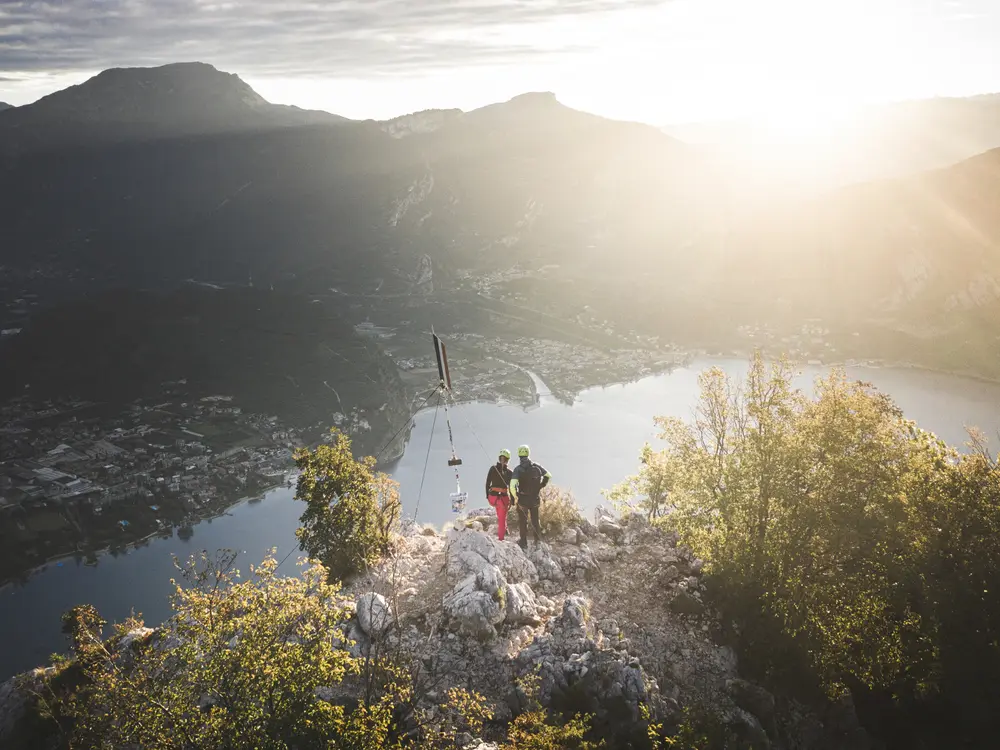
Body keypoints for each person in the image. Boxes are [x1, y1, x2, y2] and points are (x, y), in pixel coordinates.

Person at [510, 444, 551, 550]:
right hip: (535, 499)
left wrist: (515, 496)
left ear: (519, 455)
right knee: (535, 520)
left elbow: (512, 486)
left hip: (523, 500)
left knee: (523, 521)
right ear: (528, 453)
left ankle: (523, 543)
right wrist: (541, 485)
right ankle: (537, 541)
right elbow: (548, 475)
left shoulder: (518, 469)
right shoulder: (536, 466)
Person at [485, 448, 513, 541]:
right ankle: (501, 539)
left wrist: (487, 496)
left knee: (500, 515)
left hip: (492, 497)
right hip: (502, 498)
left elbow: (487, 483)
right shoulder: (509, 473)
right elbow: (512, 488)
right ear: (508, 459)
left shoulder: (493, 468)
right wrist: (512, 499)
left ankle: (504, 530)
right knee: (502, 518)